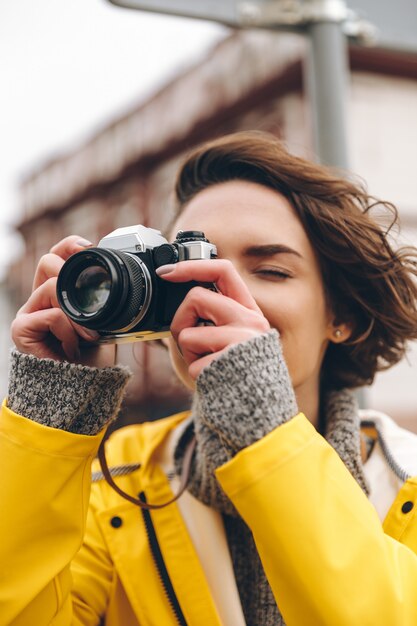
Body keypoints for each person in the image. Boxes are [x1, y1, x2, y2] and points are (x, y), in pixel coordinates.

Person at [2, 131, 417, 626]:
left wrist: (262, 427)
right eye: (193, 267)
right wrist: (48, 416)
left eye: (270, 270)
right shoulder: (111, 484)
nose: (225, 291)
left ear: (340, 315)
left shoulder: (406, 482)